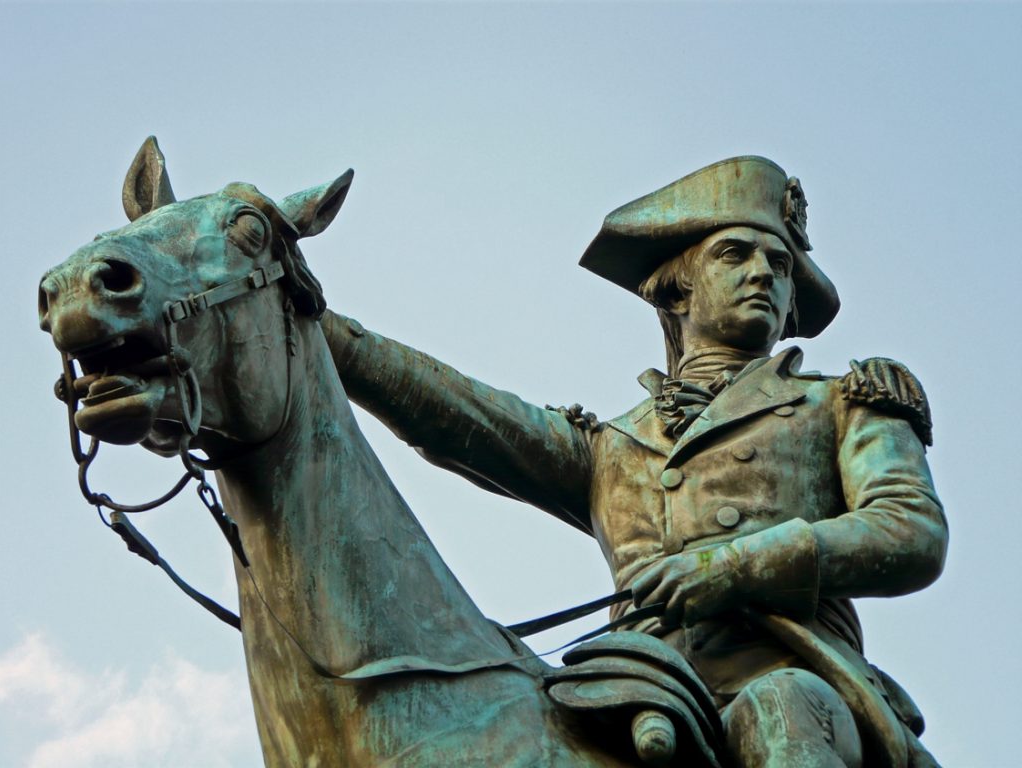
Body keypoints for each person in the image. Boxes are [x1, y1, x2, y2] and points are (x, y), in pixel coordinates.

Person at [321, 156, 947, 767]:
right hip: (637, 683)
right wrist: (324, 333)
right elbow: (465, 418)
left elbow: (909, 531)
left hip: (792, 670)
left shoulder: (844, 400)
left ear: (790, 308)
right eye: (736, 255)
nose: (764, 273)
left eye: (779, 264)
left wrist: (734, 566)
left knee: (778, 712)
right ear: (678, 286)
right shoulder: (613, 443)